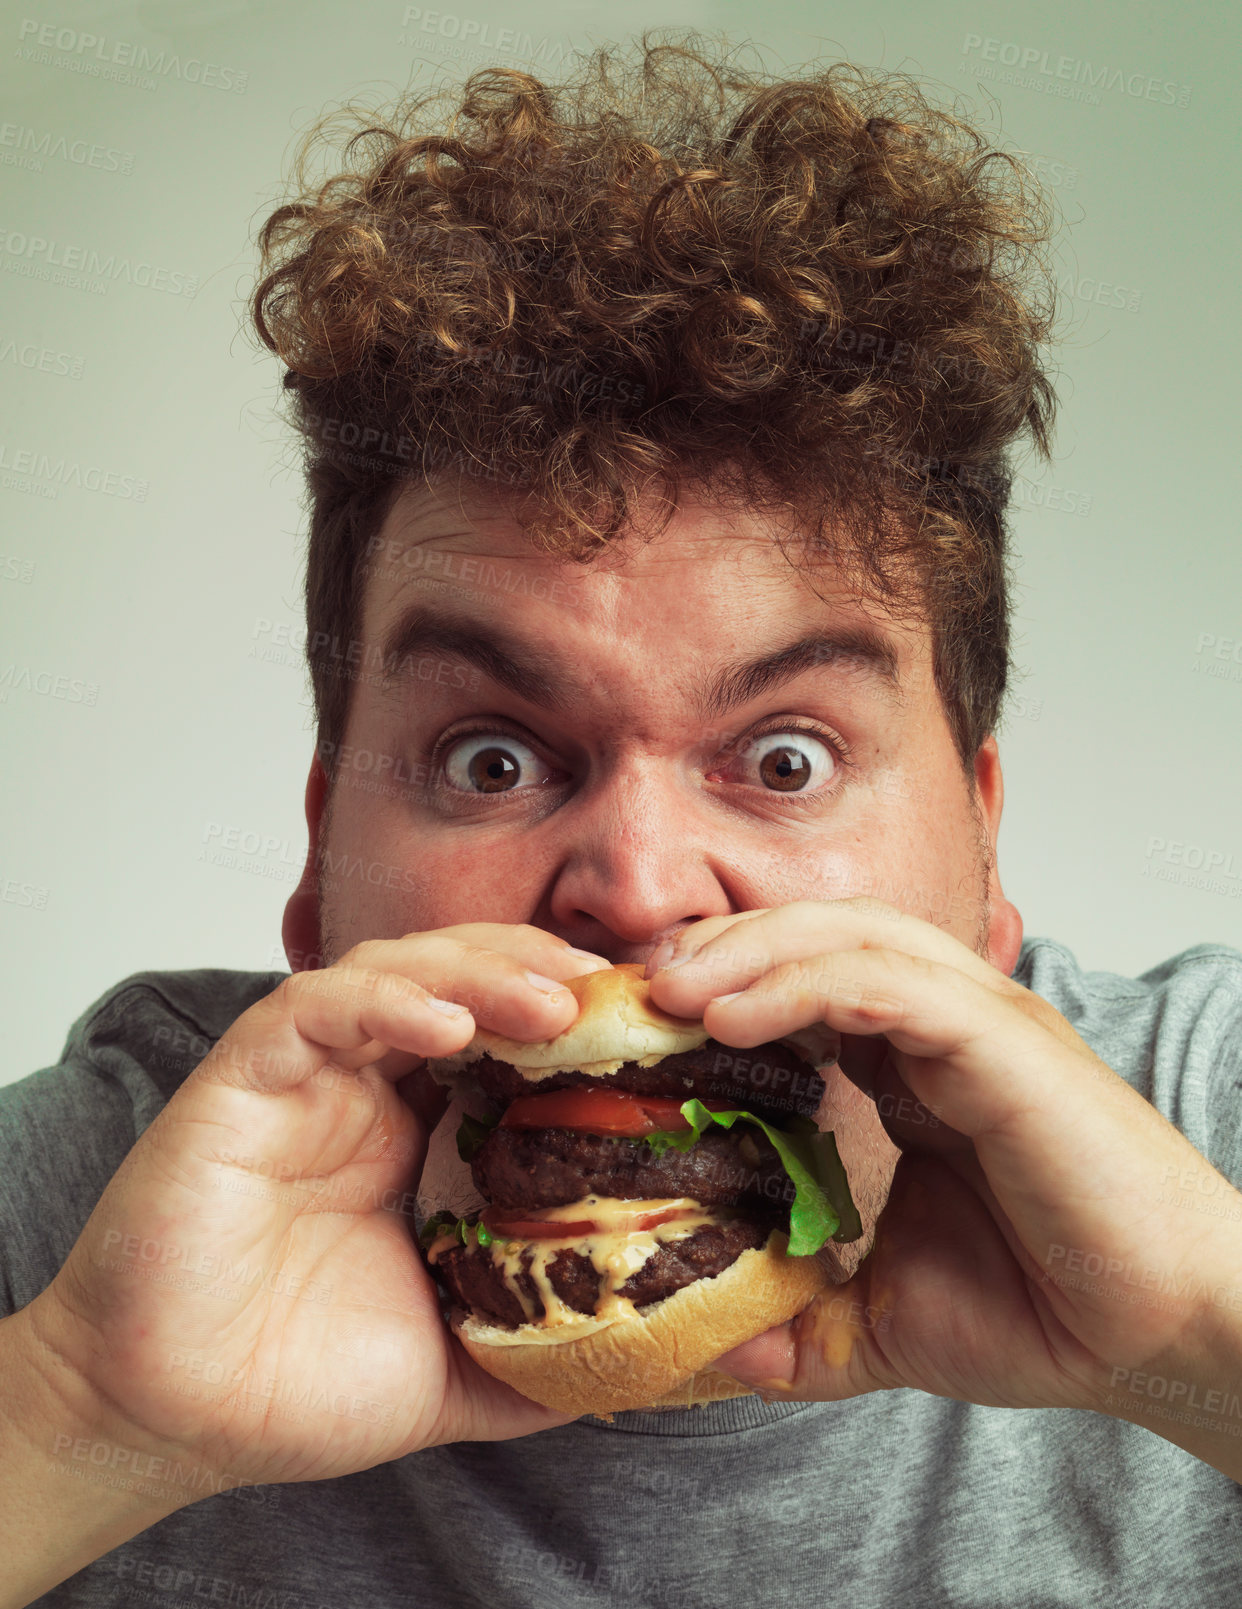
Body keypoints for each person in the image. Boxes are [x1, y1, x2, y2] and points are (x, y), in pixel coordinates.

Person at [3, 35, 1241, 1608]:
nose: (640, 892)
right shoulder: (112, 1197)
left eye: (785, 758)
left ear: (984, 864)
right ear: (321, 869)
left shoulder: (1205, 1123)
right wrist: (77, 1418)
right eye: (492, 761)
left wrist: (1205, 1347)